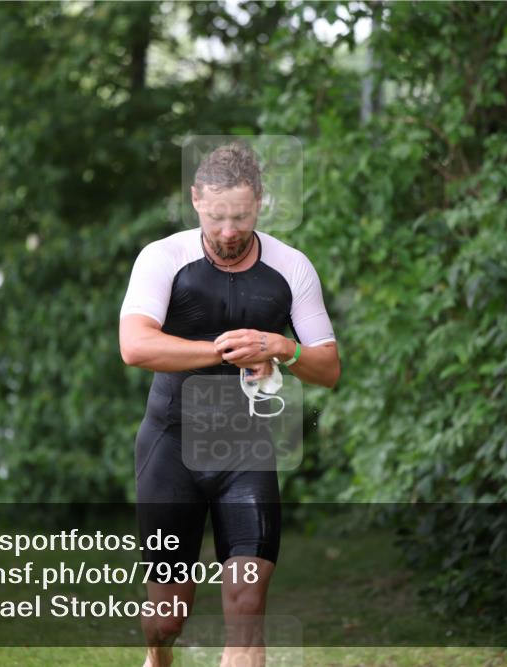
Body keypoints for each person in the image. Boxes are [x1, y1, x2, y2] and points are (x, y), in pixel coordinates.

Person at [119, 141, 340, 667]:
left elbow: (328, 367)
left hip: (247, 447)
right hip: (171, 445)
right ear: (196, 200)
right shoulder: (164, 258)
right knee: (167, 620)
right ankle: (158, 657)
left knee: (247, 605)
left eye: (239, 217)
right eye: (216, 217)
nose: (226, 232)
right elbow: (134, 346)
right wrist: (220, 349)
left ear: (259, 202)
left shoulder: (291, 267)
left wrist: (282, 347)